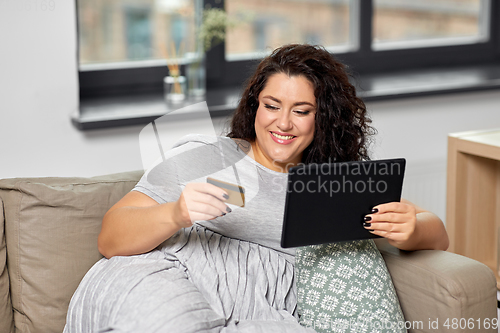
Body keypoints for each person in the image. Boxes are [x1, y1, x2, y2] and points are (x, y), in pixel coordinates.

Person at [64, 44, 448, 333]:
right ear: (254, 106)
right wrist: (175, 213)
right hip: (168, 274)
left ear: (324, 118)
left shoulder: (333, 181)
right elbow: (111, 238)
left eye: (301, 110)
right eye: (271, 105)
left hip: (257, 308)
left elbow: (437, 234)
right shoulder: (210, 157)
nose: (283, 123)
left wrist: (413, 229)